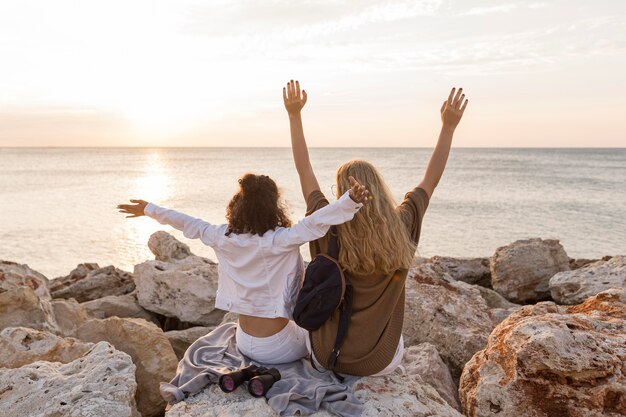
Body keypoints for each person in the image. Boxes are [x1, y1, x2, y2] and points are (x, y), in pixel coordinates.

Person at [283, 80, 468, 376]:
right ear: (380, 188)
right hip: (377, 363)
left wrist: (294, 116)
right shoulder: (404, 224)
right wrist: (448, 127)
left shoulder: (325, 222)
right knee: (400, 340)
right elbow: (430, 179)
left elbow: (304, 170)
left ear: (342, 192)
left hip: (325, 356)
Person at [117, 172, 370, 364]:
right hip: (279, 346)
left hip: (244, 342)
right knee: (321, 334)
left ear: (238, 205)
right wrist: (350, 200)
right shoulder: (279, 240)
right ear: (273, 207)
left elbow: (186, 222)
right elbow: (317, 222)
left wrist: (148, 209)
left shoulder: (221, 236)